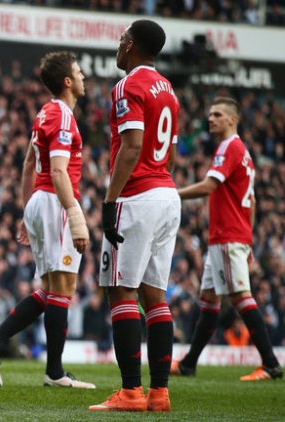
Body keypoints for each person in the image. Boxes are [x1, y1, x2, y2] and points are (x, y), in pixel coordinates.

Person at [0, 51, 94, 389]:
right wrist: (74, 214)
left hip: (41, 202)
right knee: (64, 288)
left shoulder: (44, 113)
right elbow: (56, 170)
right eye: (80, 73)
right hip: (56, 202)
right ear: (68, 81)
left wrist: (29, 213)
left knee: (50, 288)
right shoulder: (64, 117)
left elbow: (29, 165)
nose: (84, 77)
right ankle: (54, 373)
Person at [90, 20, 180, 412]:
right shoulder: (169, 90)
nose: (117, 45)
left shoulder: (129, 86)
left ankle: (130, 393)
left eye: (120, 39)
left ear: (129, 45)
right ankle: (159, 394)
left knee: (121, 291)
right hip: (166, 192)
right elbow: (170, 152)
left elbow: (131, 147)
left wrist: (110, 201)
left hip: (137, 196)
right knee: (155, 296)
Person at [171, 97, 282, 381]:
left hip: (227, 236)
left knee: (241, 297)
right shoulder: (243, 152)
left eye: (218, 114)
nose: (211, 119)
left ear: (233, 119)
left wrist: (174, 193)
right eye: (209, 114)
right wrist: (247, 237)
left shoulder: (230, 147)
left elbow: (210, 185)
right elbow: (253, 201)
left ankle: (270, 364)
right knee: (209, 299)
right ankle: (189, 364)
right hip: (230, 236)